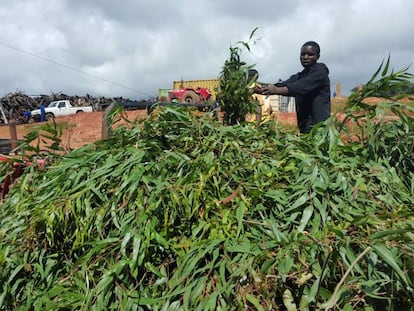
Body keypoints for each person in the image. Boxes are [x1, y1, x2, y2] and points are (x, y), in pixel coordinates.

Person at [254, 41, 331, 133]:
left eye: (310, 54)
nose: (305, 57)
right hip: (305, 127)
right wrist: (261, 89)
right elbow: (286, 83)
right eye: (303, 54)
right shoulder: (301, 75)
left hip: (319, 128)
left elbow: (299, 87)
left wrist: (275, 90)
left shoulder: (320, 73)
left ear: (317, 57)